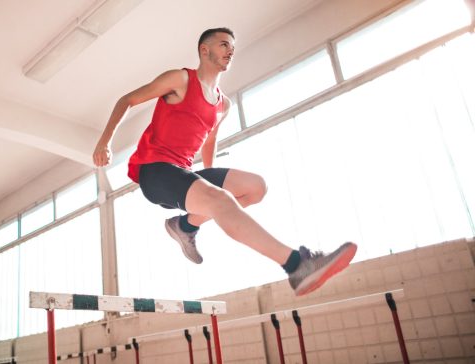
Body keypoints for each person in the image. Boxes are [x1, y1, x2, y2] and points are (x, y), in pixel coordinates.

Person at [92, 27, 356, 296]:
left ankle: (185, 225)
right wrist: (105, 142)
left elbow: (208, 140)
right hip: (156, 171)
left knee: (255, 188)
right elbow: (128, 100)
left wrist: (208, 180)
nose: (230, 50)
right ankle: (296, 266)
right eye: (223, 45)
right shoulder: (181, 79)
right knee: (220, 200)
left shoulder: (223, 104)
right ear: (204, 50)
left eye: (232, 46)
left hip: (183, 171)